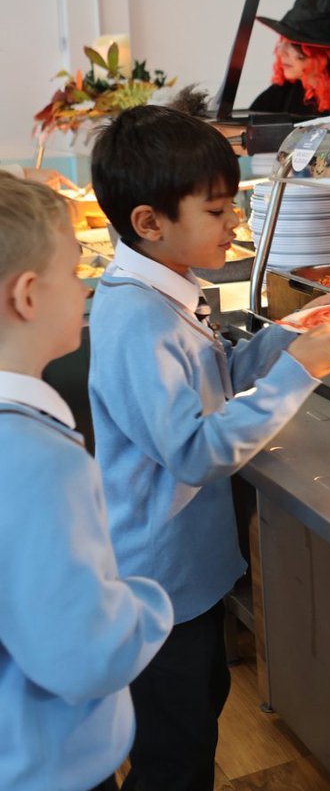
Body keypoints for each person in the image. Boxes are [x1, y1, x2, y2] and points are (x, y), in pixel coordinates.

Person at [87, 106, 330, 791]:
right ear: (150, 223)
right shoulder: (138, 319)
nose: (235, 223)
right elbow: (195, 449)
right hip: (160, 586)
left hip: (188, 577)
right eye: (217, 210)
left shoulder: (165, 291)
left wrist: (284, 336)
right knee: (174, 750)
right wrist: (300, 372)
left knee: (198, 712)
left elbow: (214, 378)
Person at [0, 172, 173, 791]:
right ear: (26, 296)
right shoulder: (40, 459)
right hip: (45, 768)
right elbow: (84, 653)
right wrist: (148, 604)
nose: (87, 287)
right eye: (75, 273)